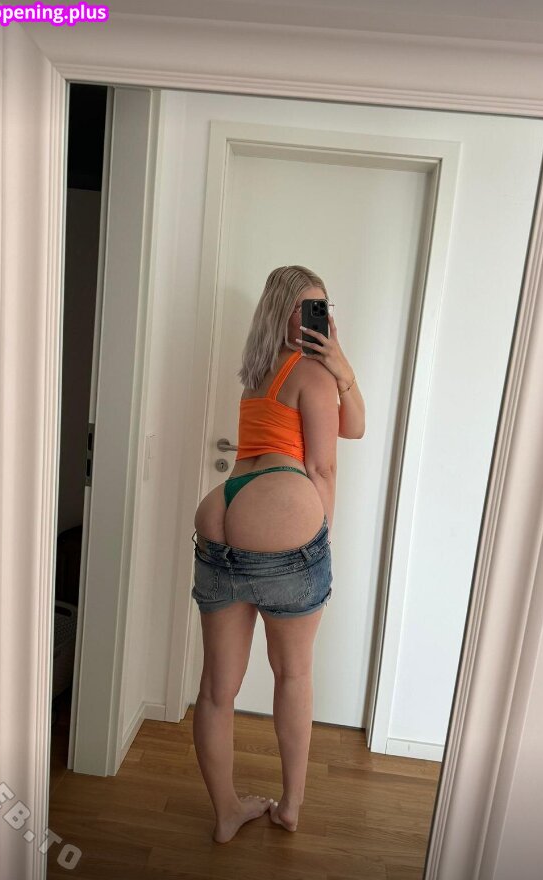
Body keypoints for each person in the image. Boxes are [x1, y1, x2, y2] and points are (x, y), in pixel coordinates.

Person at [191, 265, 365, 843]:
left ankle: (226, 812)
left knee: (217, 688)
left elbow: (354, 426)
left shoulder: (258, 374)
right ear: (281, 311)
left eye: (323, 307)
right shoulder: (309, 374)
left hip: (221, 513)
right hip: (281, 524)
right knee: (293, 674)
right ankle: (290, 805)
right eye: (306, 306)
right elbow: (324, 464)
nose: (318, 317)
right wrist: (319, 539)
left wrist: (342, 367)